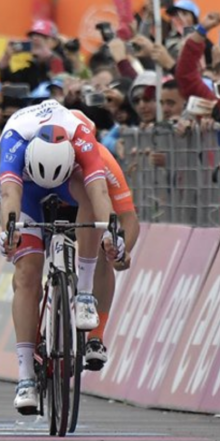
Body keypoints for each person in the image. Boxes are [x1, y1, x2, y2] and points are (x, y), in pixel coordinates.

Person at [0, 99, 121, 415]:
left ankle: (84, 294)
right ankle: (25, 377)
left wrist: (111, 233)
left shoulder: (81, 137)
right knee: (26, 275)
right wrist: (9, 233)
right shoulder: (14, 139)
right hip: (28, 190)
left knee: (91, 197)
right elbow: (9, 196)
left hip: (71, 181)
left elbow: (100, 194)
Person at [72, 111, 140, 371]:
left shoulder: (102, 159)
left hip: (91, 207)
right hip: (55, 203)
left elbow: (129, 219)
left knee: (104, 249)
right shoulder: (44, 152)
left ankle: (96, 338)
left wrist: (122, 251)